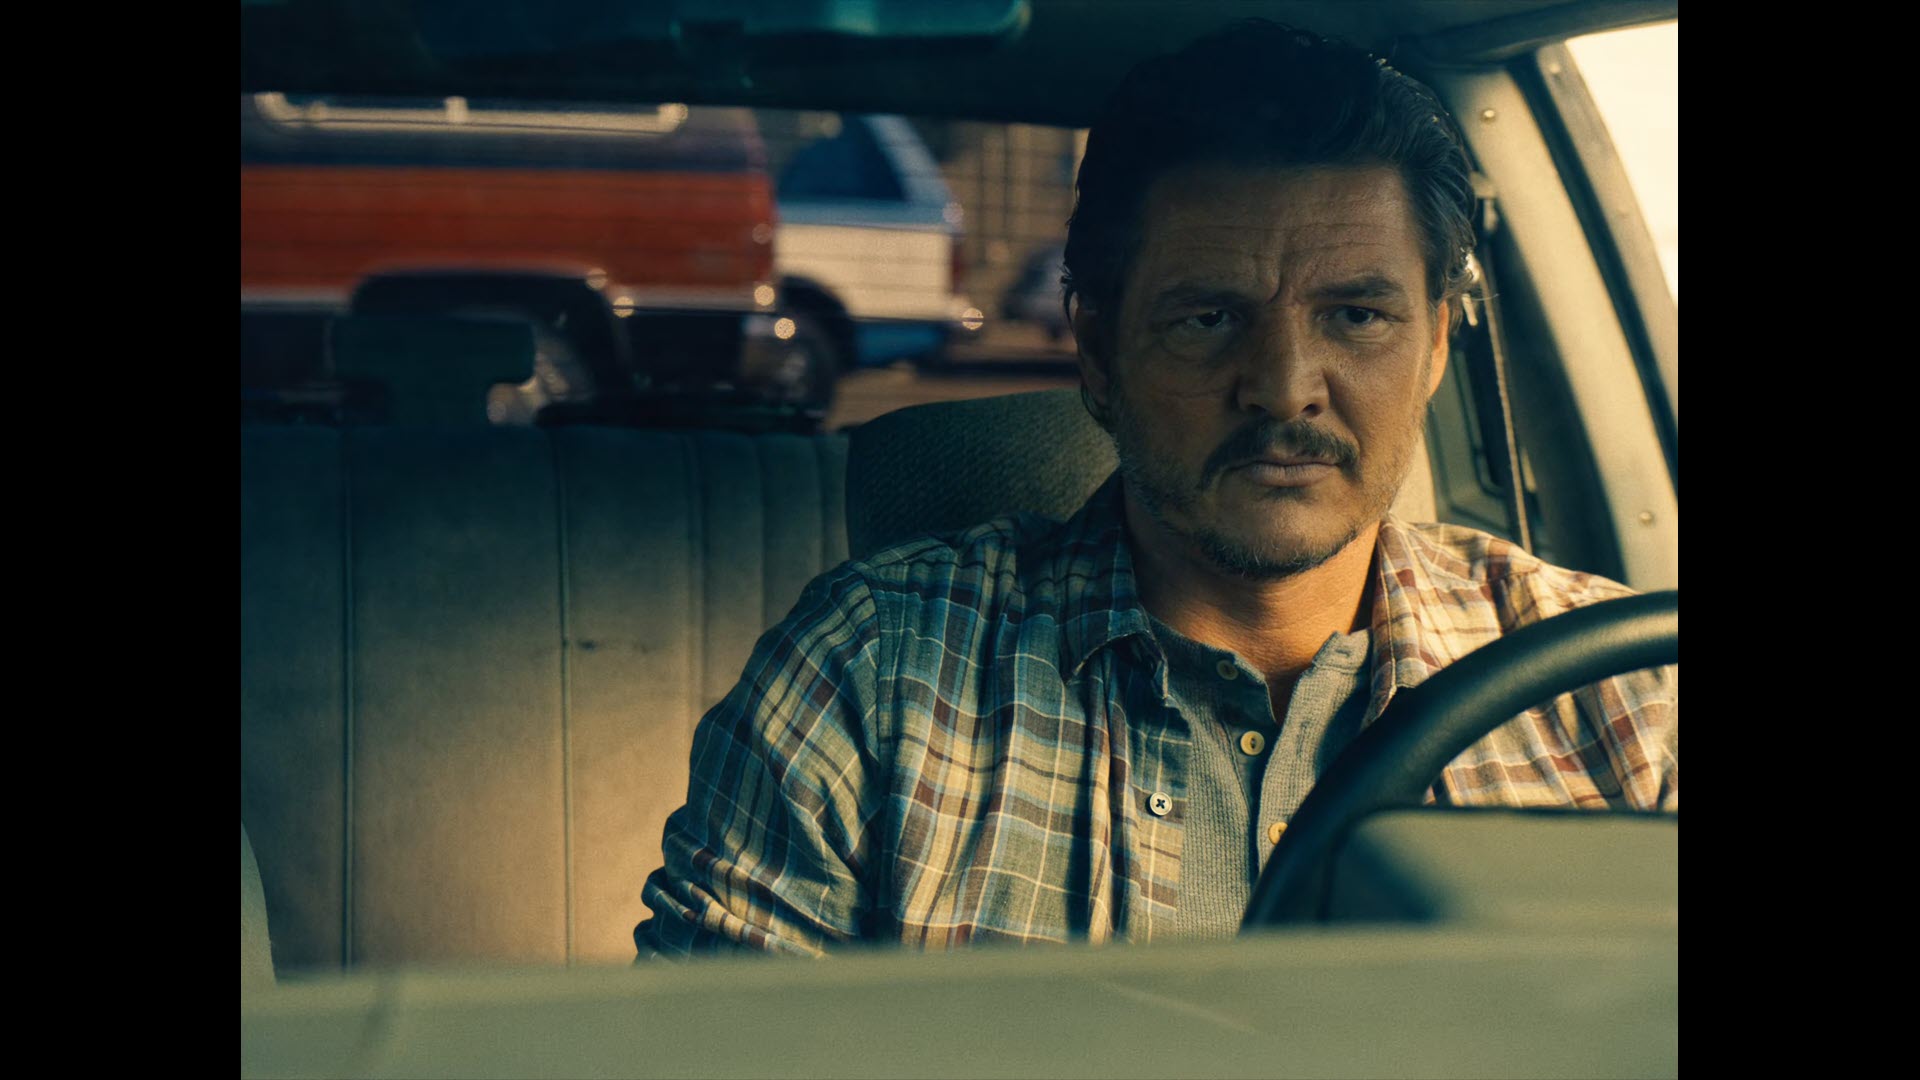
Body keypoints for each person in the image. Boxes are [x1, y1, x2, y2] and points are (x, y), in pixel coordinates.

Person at [635, 20, 1677, 956]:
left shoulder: (1622, 699)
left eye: (1358, 317)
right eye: (1208, 318)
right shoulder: (871, 678)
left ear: (1438, 345)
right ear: (1098, 352)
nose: (1285, 388)